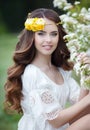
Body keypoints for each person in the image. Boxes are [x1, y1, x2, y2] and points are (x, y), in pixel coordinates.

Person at [4, 8, 90, 130]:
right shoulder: (33, 73)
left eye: (53, 34)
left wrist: (86, 74)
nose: (48, 40)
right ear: (31, 37)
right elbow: (55, 121)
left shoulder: (62, 71)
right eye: (41, 33)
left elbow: (82, 110)